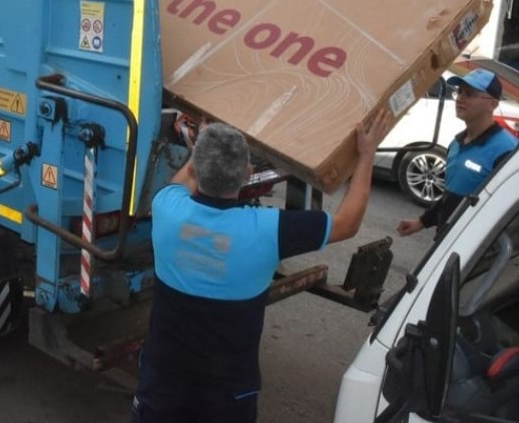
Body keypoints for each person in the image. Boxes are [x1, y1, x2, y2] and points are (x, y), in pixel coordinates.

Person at [131, 112, 390, 423]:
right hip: (227, 391)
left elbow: (185, 178)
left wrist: (202, 142)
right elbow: (348, 223)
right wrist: (366, 154)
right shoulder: (269, 230)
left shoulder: (167, 208)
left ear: (197, 169)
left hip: (163, 379)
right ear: (247, 174)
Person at [396, 68, 518, 240]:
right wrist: (421, 222)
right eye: (459, 92)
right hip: (445, 242)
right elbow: (451, 196)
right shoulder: (456, 143)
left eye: (470, 94)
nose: (460, 98)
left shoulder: (508, 152)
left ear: (493, 104)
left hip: (474, 252)